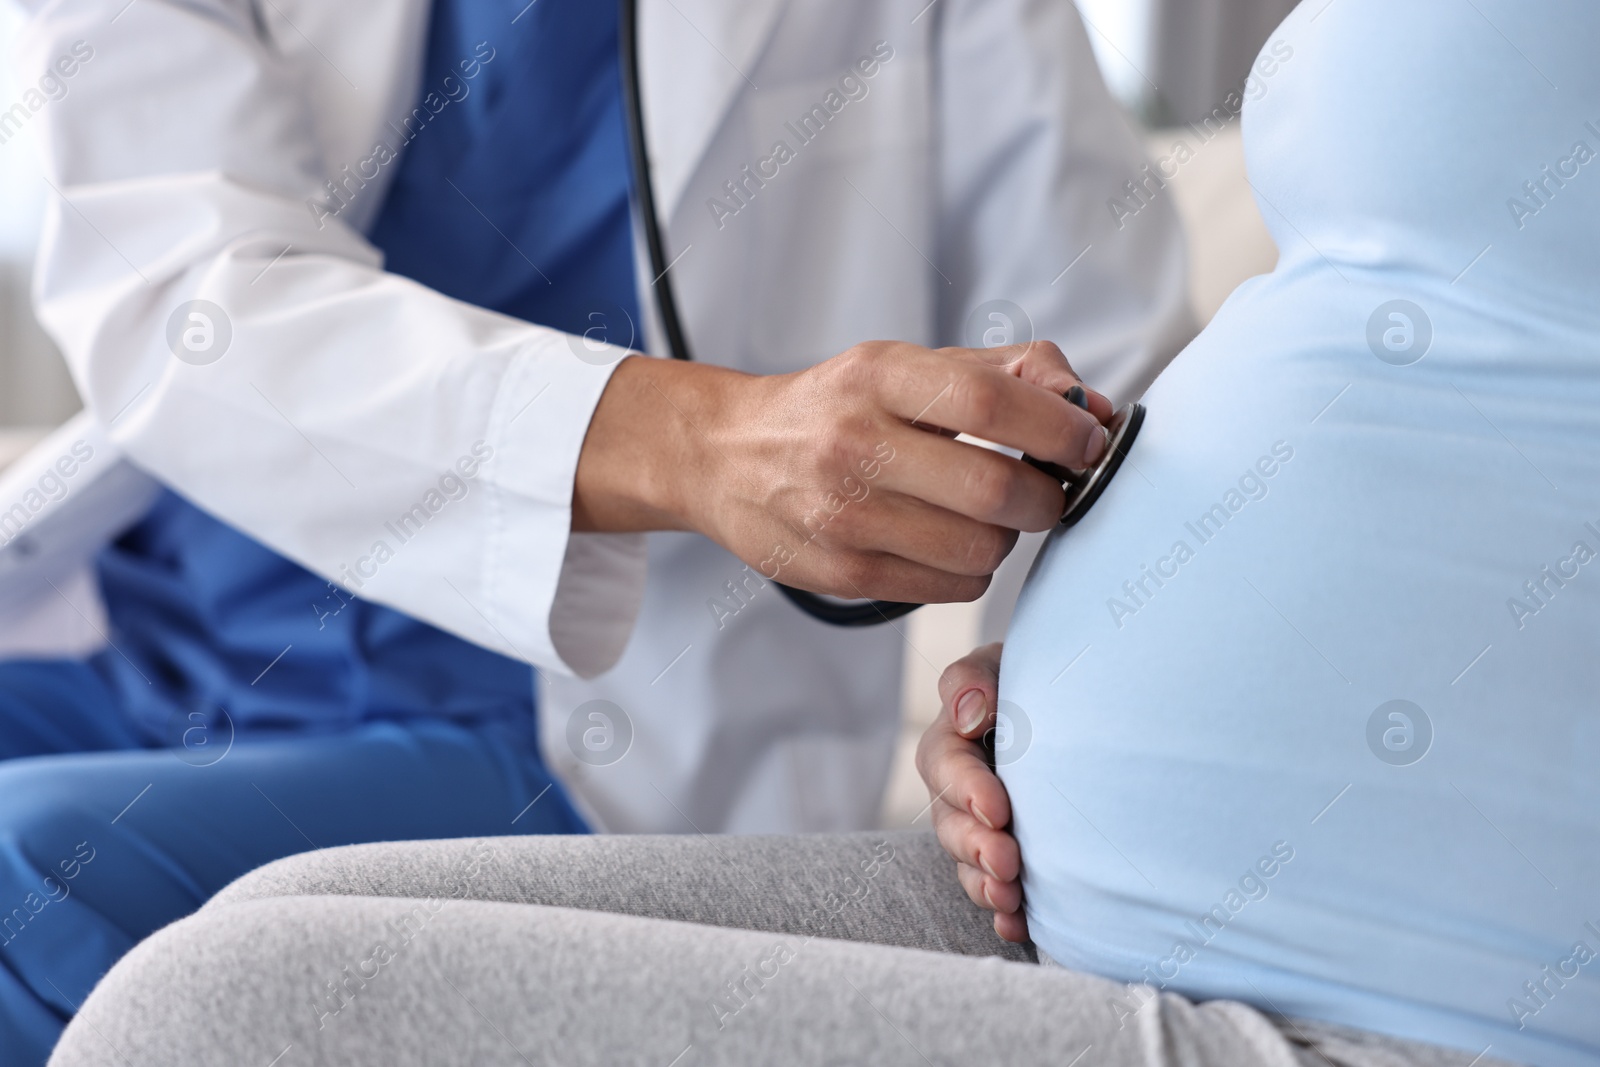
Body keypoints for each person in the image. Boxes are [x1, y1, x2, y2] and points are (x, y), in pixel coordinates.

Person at [47, 1, 1600, 1064]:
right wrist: (1035, 688)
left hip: (582, 692)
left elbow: (1087, 334)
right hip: (166, 607)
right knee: (270, 936)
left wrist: (1060, 634)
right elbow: (176, 285)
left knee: (145, 955)